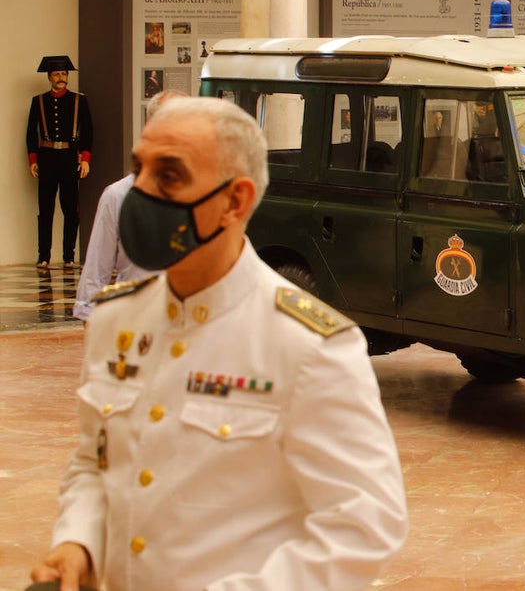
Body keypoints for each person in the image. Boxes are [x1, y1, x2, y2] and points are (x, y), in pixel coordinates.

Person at [31, 97, 407, 591]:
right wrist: (77, 541)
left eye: (168, 176)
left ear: (235, 201)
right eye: (139, 170)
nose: (138, 192)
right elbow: (93, 461)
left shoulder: (307, 345)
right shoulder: (116, 319)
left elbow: (365, 524)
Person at [72, 91, 186, 321]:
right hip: (138, 322)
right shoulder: (118, 196)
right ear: (150, 128)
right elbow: (96, 272)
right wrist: (90, 317)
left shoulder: (211, 194)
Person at [26, 55, 93, 269]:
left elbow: (88, 131)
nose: (61, 77)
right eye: (56, 74)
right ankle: (43, 256)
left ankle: (68, 256)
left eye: (64, 74)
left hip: (69, 159)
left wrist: (86, 159)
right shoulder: (38, 101)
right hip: (46, 159)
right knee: (45, 210)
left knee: (71, 210)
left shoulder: (79, 100)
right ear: (49, 77)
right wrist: (33, 160)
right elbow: (31, 133)